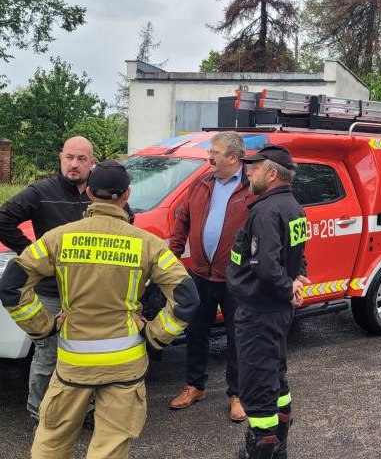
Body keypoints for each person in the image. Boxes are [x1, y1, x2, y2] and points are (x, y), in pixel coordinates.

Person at [0, 160, 200, 458]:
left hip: (73, 363)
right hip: (126, 365)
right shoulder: (148, 244)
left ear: (90, 193)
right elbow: (187, 298)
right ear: (127, 194)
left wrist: (44, 326)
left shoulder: (58, 238)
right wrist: (155, 334)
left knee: (52, 441)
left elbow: (11, 286)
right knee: (110, 447)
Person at [0, 136, 98, 424]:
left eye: (81, 159)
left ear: (92, 162)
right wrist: (30, 252)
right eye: (69, 157)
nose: (74, 164)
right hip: (50, 290)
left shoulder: (100, 193)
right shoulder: (41, 191)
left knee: (86, 355)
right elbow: (3, 218)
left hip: (88, 292)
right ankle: (39, 413)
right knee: (47, 355)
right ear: (60, 157)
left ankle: (86, 411)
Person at [227, 144, 310, 459]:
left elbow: (265, 265)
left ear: (272, 173)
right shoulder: (293, 207)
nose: (249, 171)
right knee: (275, 377)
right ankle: (280, 445)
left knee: (257, 390)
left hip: (259, 314)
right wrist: (297, 279)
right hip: (275, 312)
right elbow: (299, 254)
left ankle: (263, 448)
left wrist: (289, 287)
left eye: (255, 167)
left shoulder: (265, 211)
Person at [168, 131, 253, 422]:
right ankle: (195, 386)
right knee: (196, 332)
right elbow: (182, 221)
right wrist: (173, 254)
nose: (210, 157)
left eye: (215, 152)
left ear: (233, 157)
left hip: (237, 278)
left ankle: (237, 394)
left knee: (237, 337)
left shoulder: (252, 187)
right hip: (201, 274)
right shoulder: (202, 183)